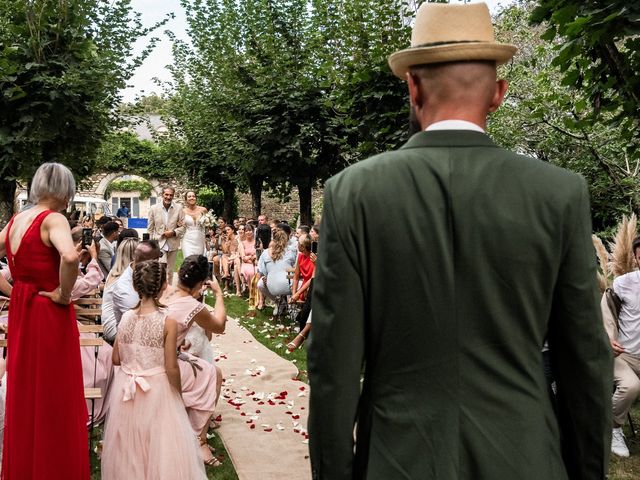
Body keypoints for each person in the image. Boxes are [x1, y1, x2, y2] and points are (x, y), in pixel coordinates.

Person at [308, 3, 612, 480]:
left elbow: (333, 369)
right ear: (499, 94)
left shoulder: (352, 193)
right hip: (524, 456)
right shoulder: (558, 193)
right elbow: (585, 362)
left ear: (412, 87)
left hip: (396, 458)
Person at [0, 162, 89, 478]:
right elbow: (69, 256)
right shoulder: (54, 219)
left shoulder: (16, 220)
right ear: (65, 191)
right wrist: (64, 293)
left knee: (26, 391)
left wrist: (14, 292)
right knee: (54, 393)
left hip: (23, 310)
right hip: (49, 311)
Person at [101, 260, 206, 479]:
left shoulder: (126, 317)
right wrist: (177, 395)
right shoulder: (167, 322)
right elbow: (171, 366)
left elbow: (116, 358)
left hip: (126, 392)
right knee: (160, 443)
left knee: (129, 445)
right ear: (162, 286)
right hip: (156, 389)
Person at [164, 255, 226, 466]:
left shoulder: (164, 291)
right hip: (166, 363)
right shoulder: (193, 305)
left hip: (157, 354)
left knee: (201, 367)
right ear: (200, 284)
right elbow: (219, 326)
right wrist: (219, 295)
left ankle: (192, 431)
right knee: (213, 374)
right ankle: (199, 439)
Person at [604, 235, 640, 458]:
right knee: (630, 386)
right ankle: (612, 428)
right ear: (636, 259)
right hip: (623, 355)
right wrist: (607, 339)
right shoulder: (623, 283)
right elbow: (605, 315)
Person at [111, 240, 162, 328]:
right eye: (157, 260)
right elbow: (141, 322)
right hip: (132, 333)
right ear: (153, 261)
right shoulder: (124, 289)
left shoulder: (145, 274)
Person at [101, 237, 139, 344]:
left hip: (109, 323)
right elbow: (132, 309)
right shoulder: (123, 280)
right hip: (113, 328)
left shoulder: (114, 271)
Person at [148, 187, 186, 284]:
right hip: (159, 242)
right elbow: (150, 228)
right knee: (161, 267)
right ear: (162, 195)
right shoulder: (153, 208)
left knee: (170, 271)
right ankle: (159, 289)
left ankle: (167, 290)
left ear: (173, 196)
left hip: (173, 243)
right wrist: (151, 243)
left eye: (171, 195)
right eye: (166, 194)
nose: (168, 197)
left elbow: (183, 227)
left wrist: (173, 232)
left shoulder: (179, 208)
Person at [256, 230, 296, 311]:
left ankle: (278, 301)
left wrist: (267, 275)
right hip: (289, 285)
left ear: (273, 240)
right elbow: (296, 266)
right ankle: (287, 303)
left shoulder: (266, 252)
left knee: (260, 284)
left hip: (272, 287)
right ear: (287, 239)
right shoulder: (292, 250)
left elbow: (262, 270)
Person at [182, 190, 208, 257]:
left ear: (196, 198)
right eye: (189, 196)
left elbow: (208, 224)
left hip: (200, 239)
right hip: (188, 240)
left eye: (193, 196)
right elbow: (179, 225)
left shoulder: (203, 210)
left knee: (200, 261)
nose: (192, 198)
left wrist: (207, 237)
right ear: (186, 199)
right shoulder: (182, 212)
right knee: (189, 261)